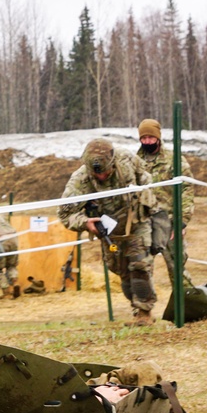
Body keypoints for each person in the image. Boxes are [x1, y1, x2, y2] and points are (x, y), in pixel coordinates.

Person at [58, 138, 159, 326]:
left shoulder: (126, 159)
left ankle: (145, 312)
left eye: (105, 172)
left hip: (136, 223)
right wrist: (85, 222)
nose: (102, 177)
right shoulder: (80, 181)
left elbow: (145, 176)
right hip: (109, 234)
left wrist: (144, 196)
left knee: (139, 265)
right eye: (98, 175)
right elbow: (64, 215)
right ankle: (136, 308)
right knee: (120, 270)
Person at [136, 119, 194, 285]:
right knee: (141, 270)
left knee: (178, 269)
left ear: (158, 137)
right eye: (143, 138)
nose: (147, 141)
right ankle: (144, 309)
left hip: (169, 223)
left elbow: (187, 189)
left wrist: (181, 221)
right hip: (144, 223)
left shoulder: (174, 159)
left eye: (150, 137)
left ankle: (186, 306)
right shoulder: (135, 161)